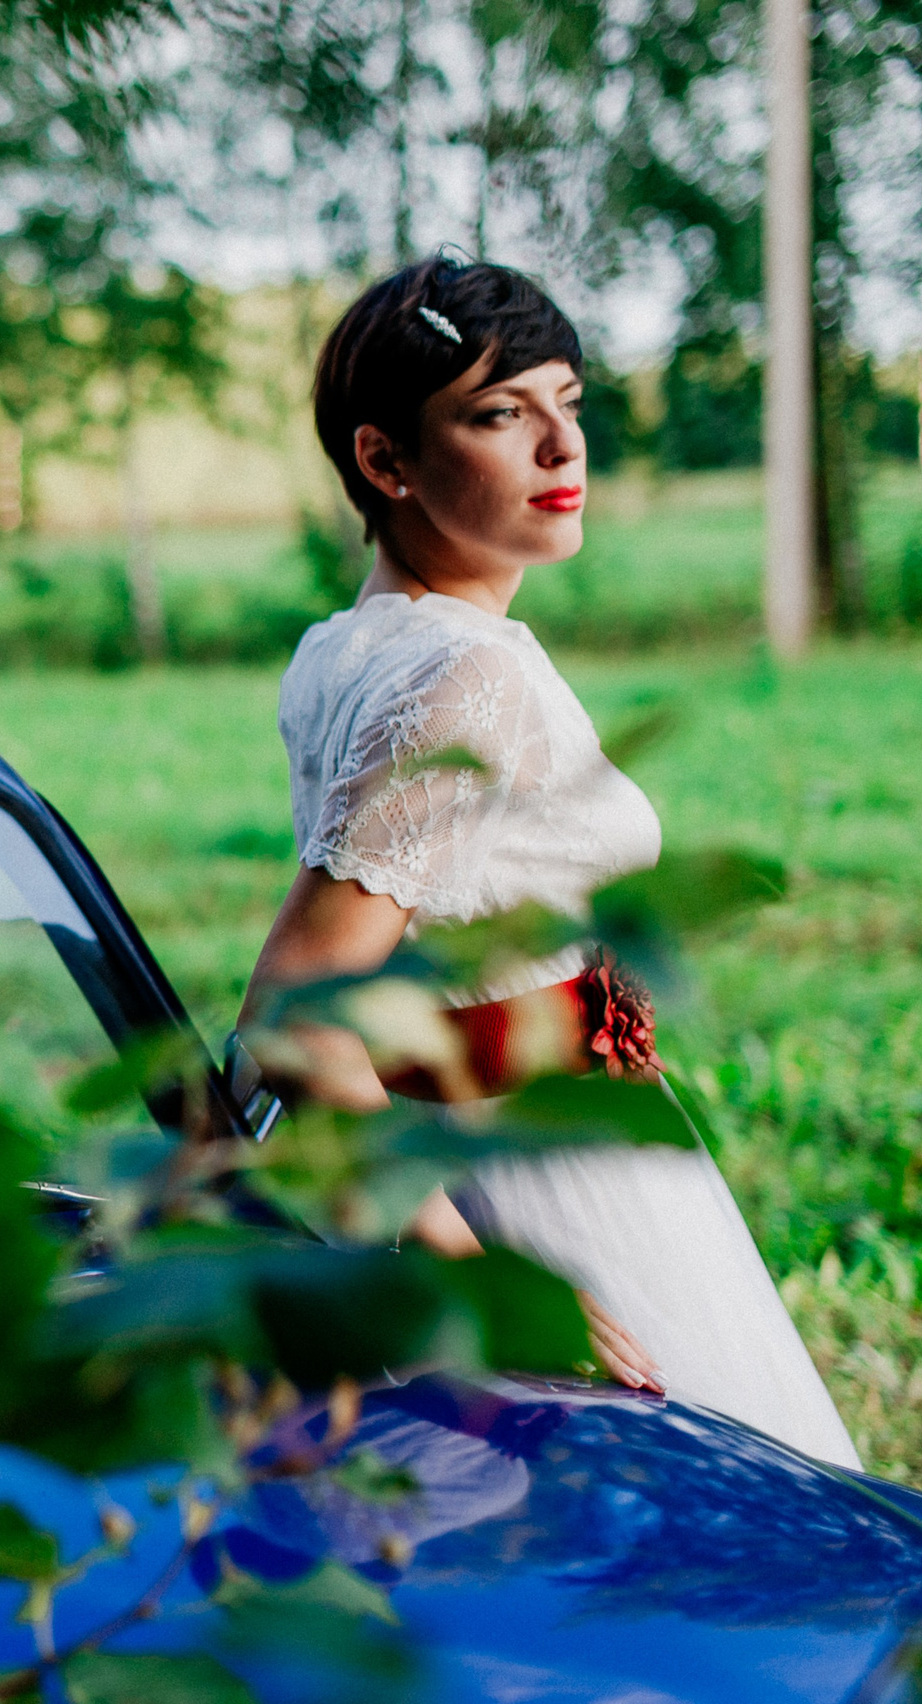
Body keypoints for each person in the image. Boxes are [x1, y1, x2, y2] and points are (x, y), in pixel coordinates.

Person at [243, 256, 859, 1471]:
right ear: (385, 462)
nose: (559, 449)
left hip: (504, 1153)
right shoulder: (463, 676)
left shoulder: (345, 647)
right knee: (719, 1543)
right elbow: (295, 1012)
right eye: (498, 414)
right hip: (543, 1189)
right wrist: (489, 1287)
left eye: (566, 402)